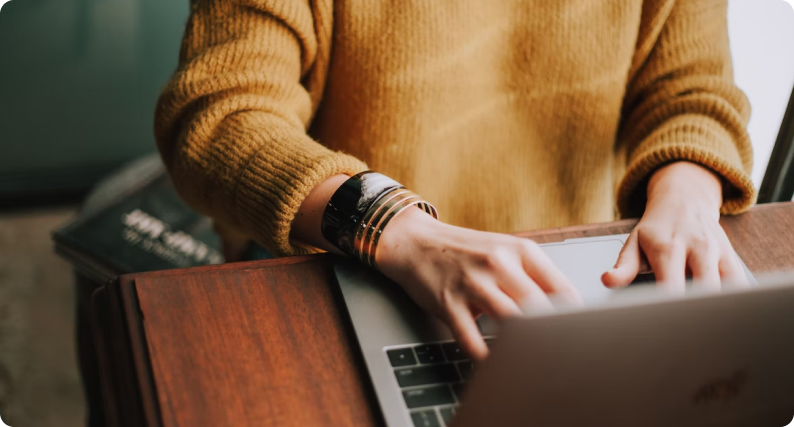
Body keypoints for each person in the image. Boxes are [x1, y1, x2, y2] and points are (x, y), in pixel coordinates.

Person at [154, 0, 755, 361]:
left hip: (571, 285)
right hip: (342, 264)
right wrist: (390, 225)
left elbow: (693, 93)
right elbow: (218, 115)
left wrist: (688, 190)